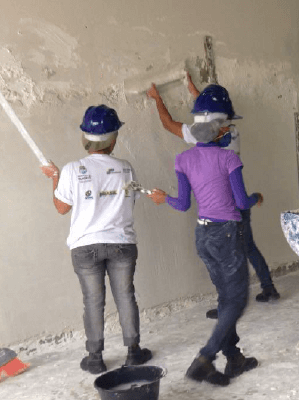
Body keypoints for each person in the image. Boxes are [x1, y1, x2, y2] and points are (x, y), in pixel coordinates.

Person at [147, 75, 280, 312]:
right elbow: (212, 120)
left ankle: (227, 305)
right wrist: (196, 93)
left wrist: (157, 98)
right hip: (237, 206)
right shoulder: (231, 133)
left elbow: (169, 124)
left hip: (216, 211)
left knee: (221, 260)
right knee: (247, 246)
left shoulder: (200, 139)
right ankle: (268, 287)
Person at [146, 115, 259, 386]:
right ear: (217, 134)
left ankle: (234, 357)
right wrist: (257, 197)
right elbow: (242, 201)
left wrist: (164, 199)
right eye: (224, 129)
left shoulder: (182, 160)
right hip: (227, 233)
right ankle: (205, 359)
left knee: (225, 297)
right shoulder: (228, 158)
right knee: (236, 300)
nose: (227, 132)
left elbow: (183, 204)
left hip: (203, 234)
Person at [40, 105, 152, 374]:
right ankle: (134, 352)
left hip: (85, 246)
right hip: (122, 243)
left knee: (93, 300)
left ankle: (94, 358)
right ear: (114, 140)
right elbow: (131, 200)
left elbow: (61, 207)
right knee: (125, 296)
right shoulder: (126, 169)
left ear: (85, 137)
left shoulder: (71, 169)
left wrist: (55, 178)